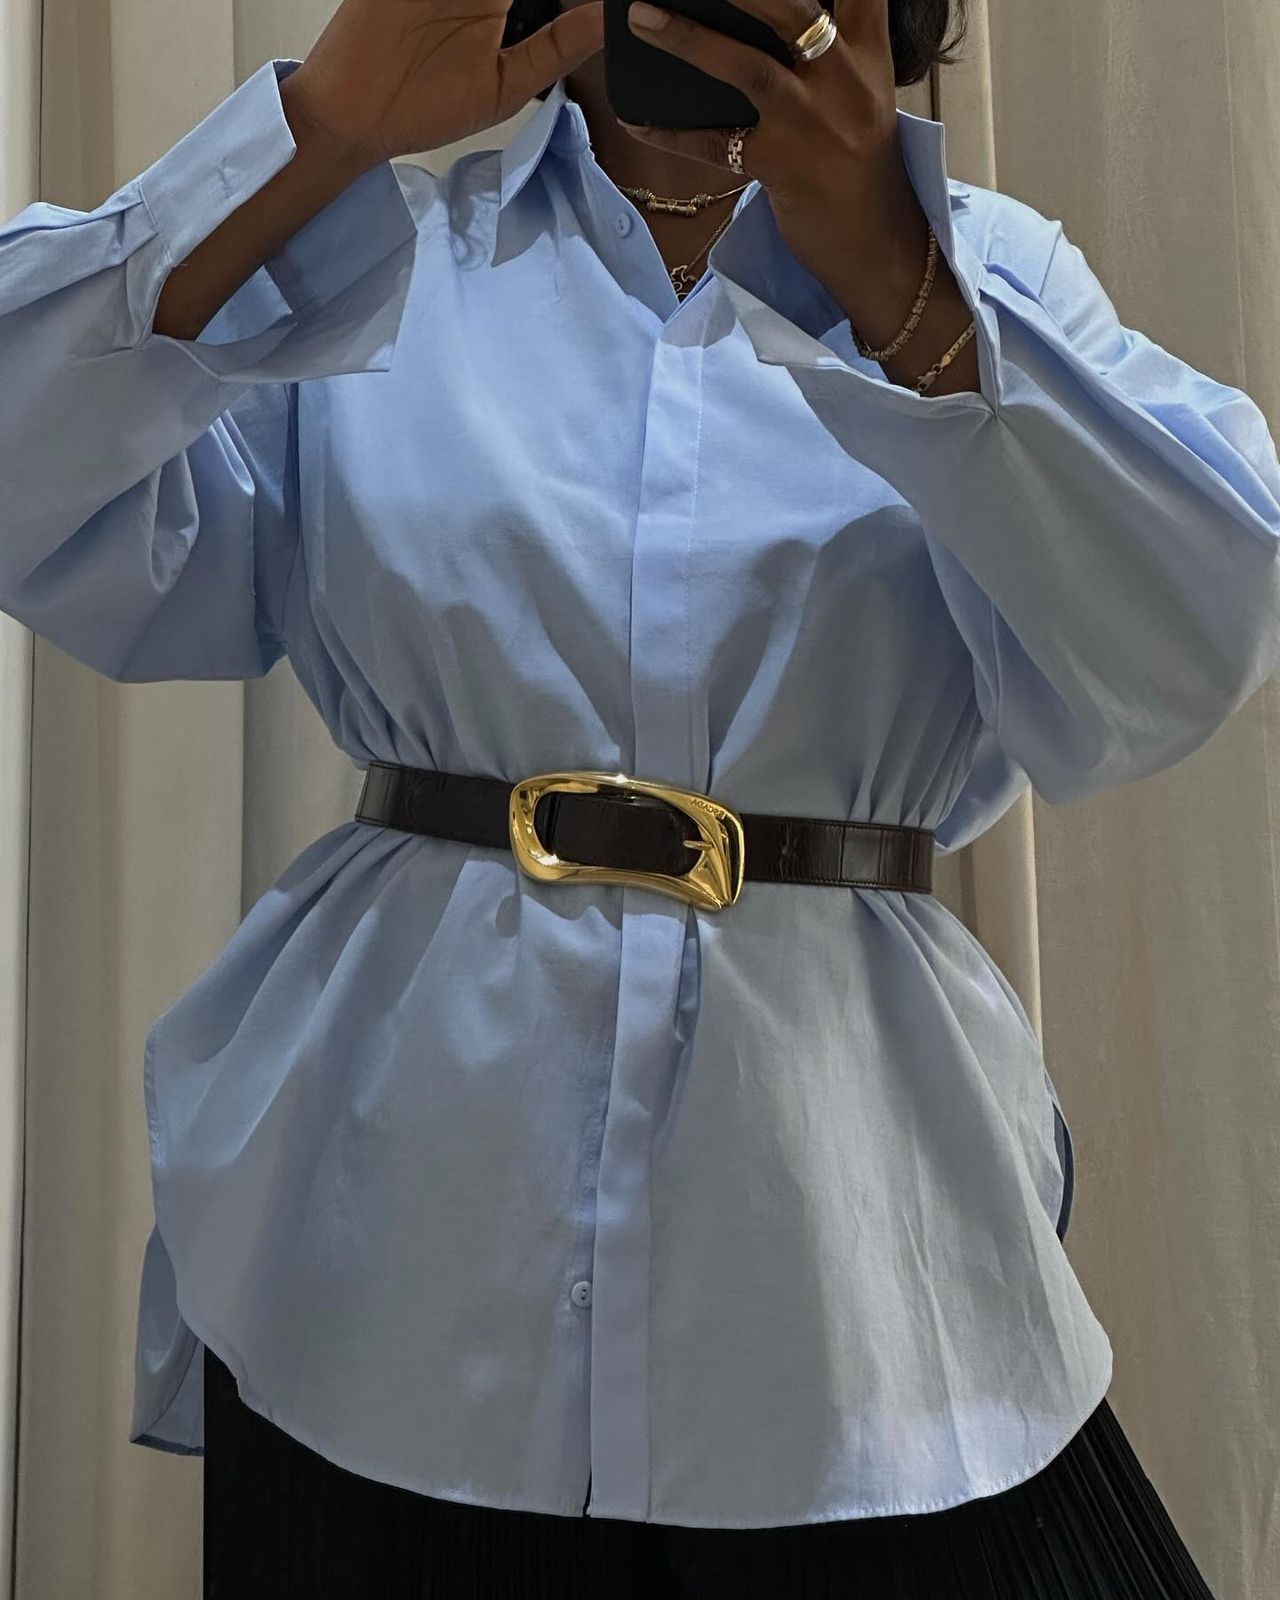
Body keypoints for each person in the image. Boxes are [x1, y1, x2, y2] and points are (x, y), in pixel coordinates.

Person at [0, 0, 1274, 1591]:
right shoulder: (384, 267)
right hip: (383, 1260)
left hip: (858, 1280)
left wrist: (903, 289)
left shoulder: (992, 279)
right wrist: (314, 135)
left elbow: (1183, 650)